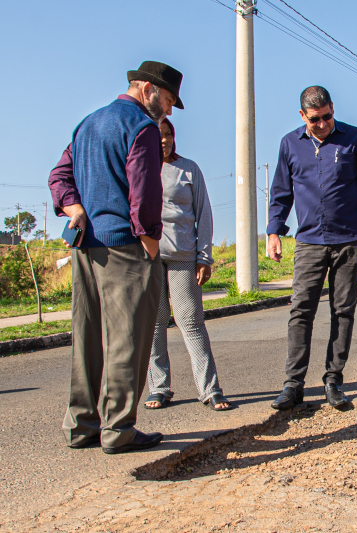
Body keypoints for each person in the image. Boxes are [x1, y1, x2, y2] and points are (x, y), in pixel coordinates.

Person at [48, 61, 184, 454]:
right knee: (128, 340)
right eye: (169, 99)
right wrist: (151, 241)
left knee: (87, 339)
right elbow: (144, 191)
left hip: (85, 247)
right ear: (147, 90)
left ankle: (82, 425)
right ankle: (119, 429)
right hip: (124, 247)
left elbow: (59, 175)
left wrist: (72, 207)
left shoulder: (88, 123)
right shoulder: (141, 127)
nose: (169, 110)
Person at [267, 86, 357, 410]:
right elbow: (280, 193)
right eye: (315, 119)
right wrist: (274, 232)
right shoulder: (290, 144)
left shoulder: (355, 138)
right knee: (300, 311)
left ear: (333, 109)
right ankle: (293, 385)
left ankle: (333, 380)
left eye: (327, 117)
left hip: (349, 239)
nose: (322, 124)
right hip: (308, 241)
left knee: (342, 310)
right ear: (302, 115)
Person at [142, 118, 231, 412]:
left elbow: (203, 214)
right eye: (159, 135)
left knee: (190, 322)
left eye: (168, 134)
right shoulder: (139, 169)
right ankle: (159, 388)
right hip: (149, 257)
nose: (165, 140)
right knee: (154, 324)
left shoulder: (188, 169)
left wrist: (205, 256)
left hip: (183, 256)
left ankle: (210, 389)